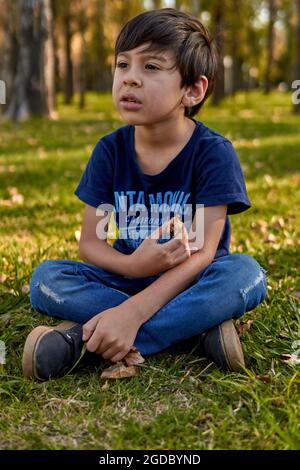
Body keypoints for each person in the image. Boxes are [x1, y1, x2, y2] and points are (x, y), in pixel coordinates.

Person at [22, 8, 267, 381]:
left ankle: (81, 341)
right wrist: (135, 267)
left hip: (194, 279)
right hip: (125, 277)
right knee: (45, 279)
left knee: (245, 273)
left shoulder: (213, 152)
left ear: (192, 90)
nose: (130, 80)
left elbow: (203, 255)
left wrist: (133, 314)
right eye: (123, 65)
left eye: (151, 67)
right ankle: (196, 329)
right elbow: (91, 244)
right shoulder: (110, 151)